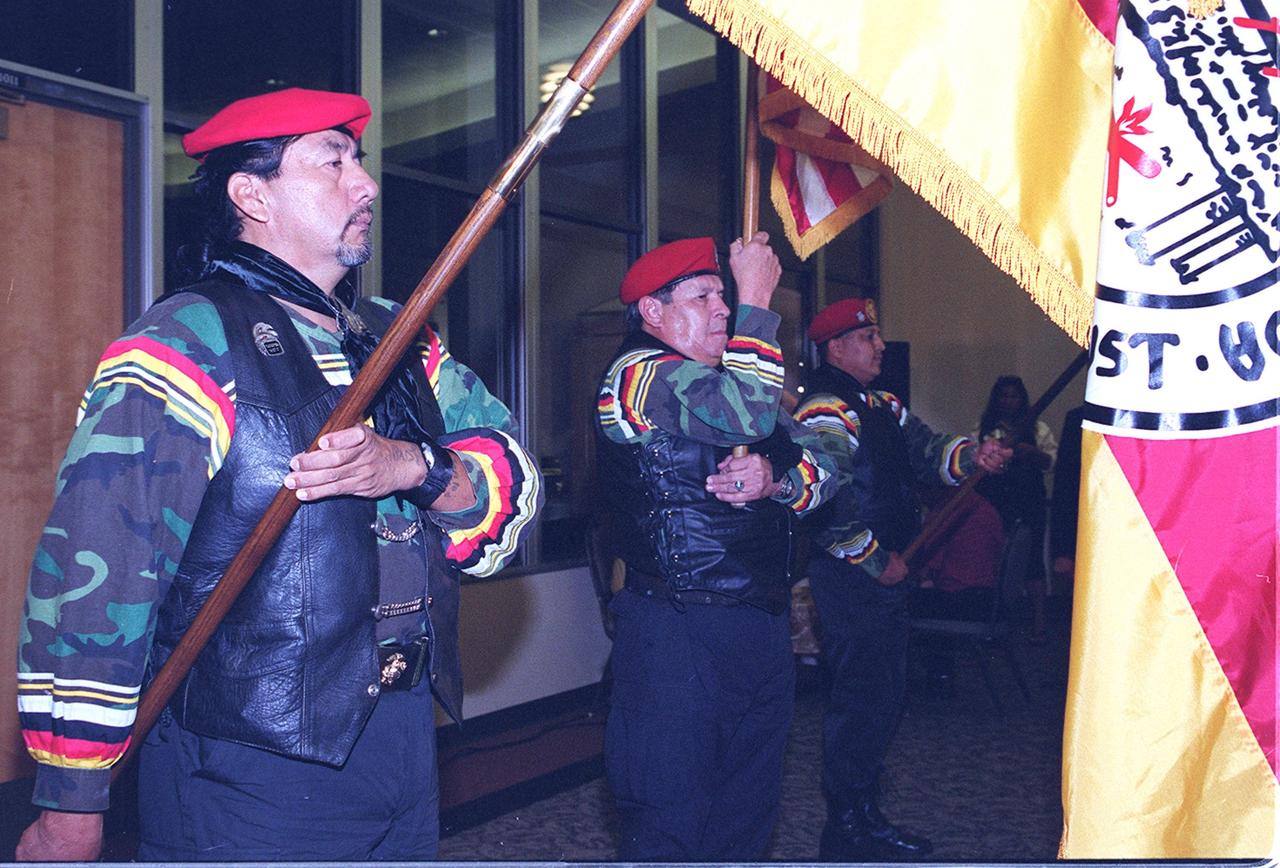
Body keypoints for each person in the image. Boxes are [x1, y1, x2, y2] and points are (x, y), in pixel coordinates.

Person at [15, 88, 541, 862]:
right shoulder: (186, 339)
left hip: (403, 738)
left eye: (357, 161)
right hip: (246, 761)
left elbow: (512, 488)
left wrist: (413, 466)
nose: (363, 184)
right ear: (250, 193)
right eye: (332, 161)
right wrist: (71, 795)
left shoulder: (399, 339)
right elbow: (100, 572)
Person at [595, 234, 835, 861]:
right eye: (703, 296)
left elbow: (828, 465)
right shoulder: (637, 377)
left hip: (758, 627)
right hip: (680, 631)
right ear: (653, 312)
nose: (724, 310)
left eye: (726, 297)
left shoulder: (733, 380)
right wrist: (758, 295)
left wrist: (775, 480)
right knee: (670, 820)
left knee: (746, 816)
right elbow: (747, 417)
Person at [793, 297, 1010, 862]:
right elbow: (823, 502)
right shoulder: (824, 411)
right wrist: (874, 559)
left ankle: (864, 812)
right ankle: (844, 827)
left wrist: (973, 456)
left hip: (886, 577)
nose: (881, 347)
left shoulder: (882, 404)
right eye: (868, 339)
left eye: (878, 337)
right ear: (836, 348)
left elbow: (930, 453)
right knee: (862, 699)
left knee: (882, 696)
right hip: (852, 577)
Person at [974, 375, 1058, 642]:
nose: (1009, 401)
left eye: (1014, 396)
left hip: (1029, 499)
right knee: (994, 558)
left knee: (1033, 561)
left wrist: (1028, 453)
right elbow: (974, 461)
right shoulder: (983, 429)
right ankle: (996, 621)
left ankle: (1039, 625)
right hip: (995, 500)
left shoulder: (1038, 429)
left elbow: (1051, 462)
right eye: (1004, 396)